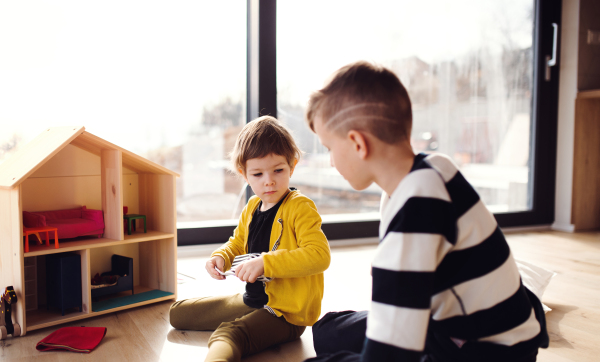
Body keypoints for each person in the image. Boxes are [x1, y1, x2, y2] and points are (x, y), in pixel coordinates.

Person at [303, 61, 549, 362]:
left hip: (485, 351)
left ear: (357, 143)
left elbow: (390, 357)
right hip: (467, 325)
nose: (330, 161)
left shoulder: (416, 211)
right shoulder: (435, 165)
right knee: (328, 331)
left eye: (328, 148)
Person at [169, 116, 331, 362]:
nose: (269, 181)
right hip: (252, 300)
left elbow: (320, 255)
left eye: (278, 170)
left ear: (292, 166)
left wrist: (267, 262)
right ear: (245, 175)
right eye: (258, 174)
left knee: (229, 335)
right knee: (178, 314)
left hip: (285, 313)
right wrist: (221, 257)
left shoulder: (300, 207)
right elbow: (236, 242)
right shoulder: (253, 205)